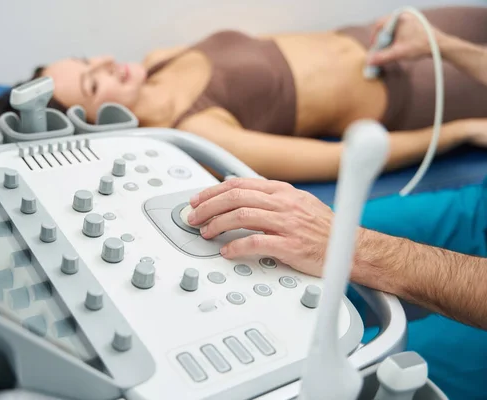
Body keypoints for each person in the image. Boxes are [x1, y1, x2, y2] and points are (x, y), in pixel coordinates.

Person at [185, 13, 487, 399]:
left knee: (365, 367)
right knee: (270, 260)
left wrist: (354, 249)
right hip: (478, 208)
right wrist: (447, 47)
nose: (106, 65)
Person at [0, 6, 487, 183]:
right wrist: (459, 132)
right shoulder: (200, 133)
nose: (106, 64)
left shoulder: (160, 57)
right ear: (97, 123)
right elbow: (344, 161)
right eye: (95, 83)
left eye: (87, 59)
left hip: (402, 36)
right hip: (423, 93)